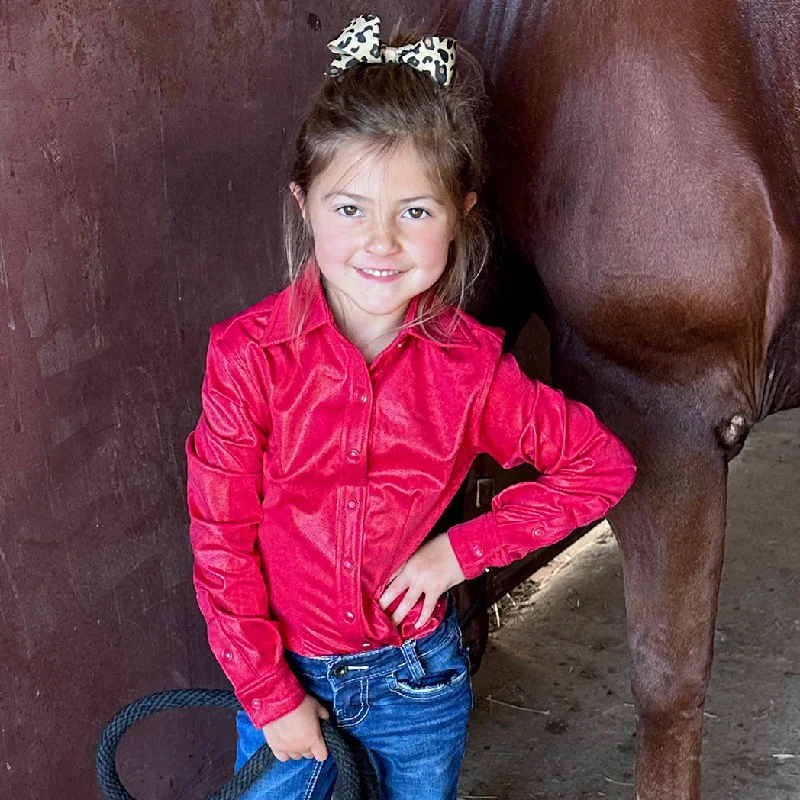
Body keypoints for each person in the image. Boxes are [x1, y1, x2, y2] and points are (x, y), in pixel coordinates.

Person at [186, 13, 637, 800]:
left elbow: (601, 467)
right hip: (288, 686)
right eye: (350, 207)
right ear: (305, 204)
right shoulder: (247, 359)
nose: (382, 242)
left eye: (415, 211)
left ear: (460, 213)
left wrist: (460, 553)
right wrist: (268, 695)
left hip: (417, 689)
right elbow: (221, 541)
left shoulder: (474, 372)